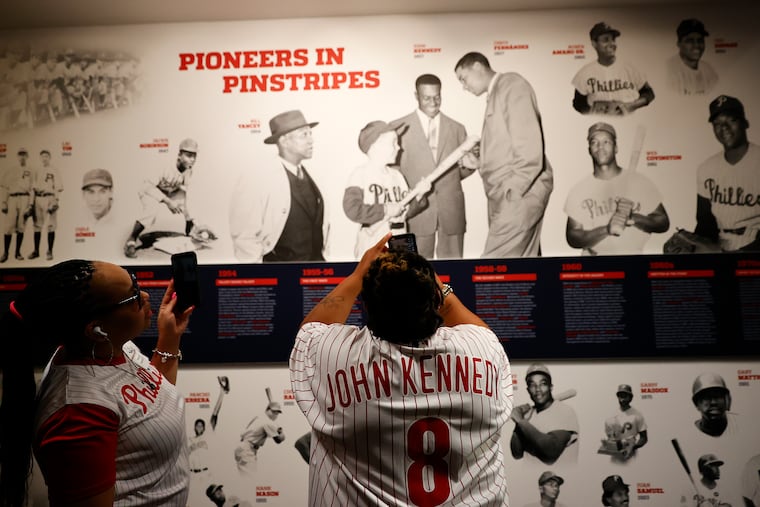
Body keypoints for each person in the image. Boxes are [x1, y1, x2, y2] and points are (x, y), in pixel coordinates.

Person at [290, 232, 513, 506]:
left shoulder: (335, 357)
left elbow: (311, 330)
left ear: (367, 306)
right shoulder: (483, 349)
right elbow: (477, 330)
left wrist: (359, 275)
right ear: (434, 299)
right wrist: (436, 286)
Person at [0, 259, 194, 506]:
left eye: (135, 282)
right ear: (96, 329)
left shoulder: (114, 349)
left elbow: (152, 403)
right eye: (132, 296)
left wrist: (169, 336)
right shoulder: (78, 412)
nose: (144, 295)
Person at [454, 51, 554, 258]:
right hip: (511, 194)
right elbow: (508, 146)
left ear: (478, 67)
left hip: (518, 194)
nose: (464, 87)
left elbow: (529, 146)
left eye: (463, 79)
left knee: (492, 271)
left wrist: (513, 192)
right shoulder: (499, 92)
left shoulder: (511, 85)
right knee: (521, 272)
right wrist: (480, 160)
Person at [389, 73, 477, 259]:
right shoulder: (397, 128)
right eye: (426, 98)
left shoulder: (457, 128)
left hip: (451, 212)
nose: (433, 102)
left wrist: (471, 167)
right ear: (416, 96)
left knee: (454, 275)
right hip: (414, 213)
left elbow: (457, 173)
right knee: (413, 275)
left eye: (437, 97)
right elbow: (392, 175)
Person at [230, 109, 328, 262]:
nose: (311, 140)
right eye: (304, 135)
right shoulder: (259, 178)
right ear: (284, 141)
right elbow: (244, 237)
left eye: (310, 134)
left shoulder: (312, 177)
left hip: (315, 273)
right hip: (279, 274)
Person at [564, 122, 670, 255]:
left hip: (634, 260)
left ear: (616, 148)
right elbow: (573, 237)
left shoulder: (640, 182)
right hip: (595, 264)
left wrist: (633, 217)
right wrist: (606, 230)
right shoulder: (578, 191)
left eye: (606, 142)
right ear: (589, 149)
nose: (600, 147)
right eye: (594, 142)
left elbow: (663, 222)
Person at [343, 120, 429, 258]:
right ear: (375, 146)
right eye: (393, 142)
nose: (399, 147)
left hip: (401, 238)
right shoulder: (360, 174)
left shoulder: (397, 176)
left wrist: (418, 196)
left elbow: (405, 213)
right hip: (375, 239)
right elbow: (352, 209)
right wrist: (385, 209)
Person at [124, 138, 216, 258]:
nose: (192, 160)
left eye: (194, 156)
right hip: (150, 190)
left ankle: (191, 232)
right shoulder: (165, 165)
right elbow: (147, 186)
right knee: (151, 210)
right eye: (188, 156)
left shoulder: (188, 170)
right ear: (179, 155)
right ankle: (131, 240)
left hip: (168, 191)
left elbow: (187, 190)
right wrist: (168, 202)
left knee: (188, 201)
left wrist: (196, 221)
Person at [694, 95, 760, 252]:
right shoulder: (706, 168)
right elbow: (705, 223)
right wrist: (693, 244)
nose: (724, 127)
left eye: (731, 120)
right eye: (717, 123)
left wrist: (741, 255)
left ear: (745, 123)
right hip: (720, 246)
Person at [572, 22, 655, 116]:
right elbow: (578, 103)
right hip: (601, 122)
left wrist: (632, 105)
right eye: (606, 40)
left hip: (629, 121)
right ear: (594, 44)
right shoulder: (585, 72)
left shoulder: (630, 68)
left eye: (613, 39)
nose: (612, 44)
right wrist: (594, 112)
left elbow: (649, 93)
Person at [511, 363, 579, 466]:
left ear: (551, 387)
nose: (537, 389)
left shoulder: (565, 411)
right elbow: (517, 454)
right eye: (532, 385)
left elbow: (550, 453)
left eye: (543, 383)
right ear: (528, 390)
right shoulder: (529, 415)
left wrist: (521, 421)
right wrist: (518, 422)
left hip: (564, 476)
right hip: (528, 478)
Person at [233, 394, 286, 476]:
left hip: (242, 447)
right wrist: (280, 430)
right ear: (267, 410)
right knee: (250, 478)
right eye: (273, 411)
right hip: (247, 449)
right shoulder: (268, 422)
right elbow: (279, 440)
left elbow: (247, 429)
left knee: (246, 478)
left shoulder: (258, 417)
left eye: (277, 412)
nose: (275, 414)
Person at [189, 376, 229, 475]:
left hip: (205, 474)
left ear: (204, 428)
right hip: (192, 474)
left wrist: (222, 393)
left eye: (201, 426)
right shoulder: (189, 439)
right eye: (197, 426)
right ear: (194, 427)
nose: (199, 427)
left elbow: (215, 413)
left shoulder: (207, 434)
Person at [666, 19, 719, 96]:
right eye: (690, 41)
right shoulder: (669, 69)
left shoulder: (708, 68)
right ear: (679, 43)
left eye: (700, 40)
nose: (697, 45)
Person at [28, 149, 63, 261]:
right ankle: (36, 251)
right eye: (42, 156)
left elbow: (58, 187)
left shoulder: (54, 170)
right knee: (37, 226)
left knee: (50, 226)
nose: (44, 158)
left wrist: (56, 200)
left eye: (46, 156)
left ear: (49, 158)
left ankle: (49, 251)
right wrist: (31, 203)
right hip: (38, 198)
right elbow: (33, 188)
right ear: (40, 158)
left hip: (49, 197)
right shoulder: (36, 170)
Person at [0, 147, 33, 263]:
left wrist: (30, 205)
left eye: (24, 154)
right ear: (17, 156)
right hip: (12, 198)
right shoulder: (11, 170)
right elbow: (4, 187)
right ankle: (5, 253)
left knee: (21, 227)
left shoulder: (30, 170)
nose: (22, 157)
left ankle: (17, 252)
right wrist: (4, 202)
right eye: (20, 154)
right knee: (8, 227)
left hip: (24, 198)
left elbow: (32, 189)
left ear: (27, 156)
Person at [600, 383, 648, 461]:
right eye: (620, 396)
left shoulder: (637, 415)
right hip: (614, 455)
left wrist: (634, 446)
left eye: (625, 396)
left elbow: (644, 438)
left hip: (630, 455)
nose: (622, 399)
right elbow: (609, 436)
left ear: (630, 397)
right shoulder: (611, 415)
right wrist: (607, 443)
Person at [691, 372, 738, 437]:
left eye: (718, 396)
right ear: (696, 403)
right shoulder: (687, 434)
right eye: (707, 397)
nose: (713, 402)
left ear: (726, 400)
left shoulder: (744, 424)